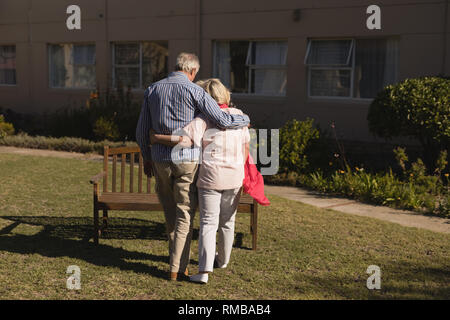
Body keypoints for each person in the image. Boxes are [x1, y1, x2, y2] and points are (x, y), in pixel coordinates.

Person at [135, 53, 250, 281]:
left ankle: (175, 263)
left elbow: (141, 131)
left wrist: (147, 157)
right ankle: (178, 267)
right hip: (187, 160)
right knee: (185, 212)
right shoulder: (195, 91)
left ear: (176, 67)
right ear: (193, 71)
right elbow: (223, 120)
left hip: (160, 159)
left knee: (170, 211)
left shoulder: (152, 90)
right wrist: (244, 119)